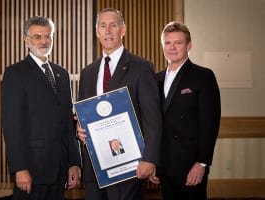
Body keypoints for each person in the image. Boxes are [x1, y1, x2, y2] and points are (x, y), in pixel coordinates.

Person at [76, 8, 162, 200]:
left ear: (123, 30)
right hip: (95, 166)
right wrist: (79, 128)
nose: (107, 31)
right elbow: (83, 114)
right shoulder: (87, 73)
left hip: (129, 166)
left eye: (113, 25)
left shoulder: (141, 67)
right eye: (103, 26)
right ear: (97, 32)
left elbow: (152, 118)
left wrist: (149, 158)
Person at [1, 16, 81, 200]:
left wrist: (74, 162)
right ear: (26, 40)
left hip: (60, 168)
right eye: (38, 37)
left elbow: (68, 124)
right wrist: (19, 167)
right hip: (31, 170)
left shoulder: (62, 73)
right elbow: (11, 126)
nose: (44, 41)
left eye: (48, 36)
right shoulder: (15, 74)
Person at [153, 21, 221, 200]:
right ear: (163, 46)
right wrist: (153, 162)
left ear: (188, 45)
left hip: (191, 166)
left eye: (178, 42)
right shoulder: (155, 79)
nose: (172, 47)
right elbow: (152, 123)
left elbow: (210, 124)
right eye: (168, 43)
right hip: (164, 165)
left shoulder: (203, 76)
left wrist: (202, 162)